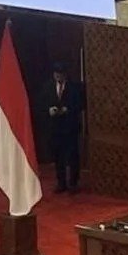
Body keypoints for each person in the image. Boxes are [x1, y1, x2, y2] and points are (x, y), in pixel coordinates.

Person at [41, 62, 84, 193]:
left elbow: (80, 104)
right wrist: (49, 110)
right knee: (58, 156)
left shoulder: (74, 87)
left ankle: (73, 183)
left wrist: (67, 109)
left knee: (72, 155)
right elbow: (41, 104)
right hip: (55, 128)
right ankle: (61, 182)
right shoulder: (48, 87)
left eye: (60, 74)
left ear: (65, 74)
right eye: (56, 75)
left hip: (70, 127)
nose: (58, 77)